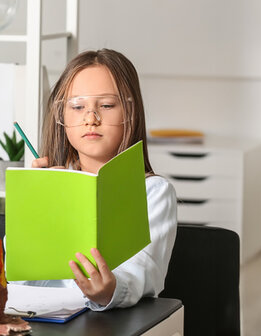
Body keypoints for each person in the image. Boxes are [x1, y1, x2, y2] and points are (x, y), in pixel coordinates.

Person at [26, 48, 177, 310]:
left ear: (131, 112)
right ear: (62, 115)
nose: (91, 119)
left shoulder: (153, 191)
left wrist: (110, 290)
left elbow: (145, 269)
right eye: (77, 107)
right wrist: (34, 202)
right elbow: (21, 269)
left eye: (106, 105)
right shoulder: (48, 181)